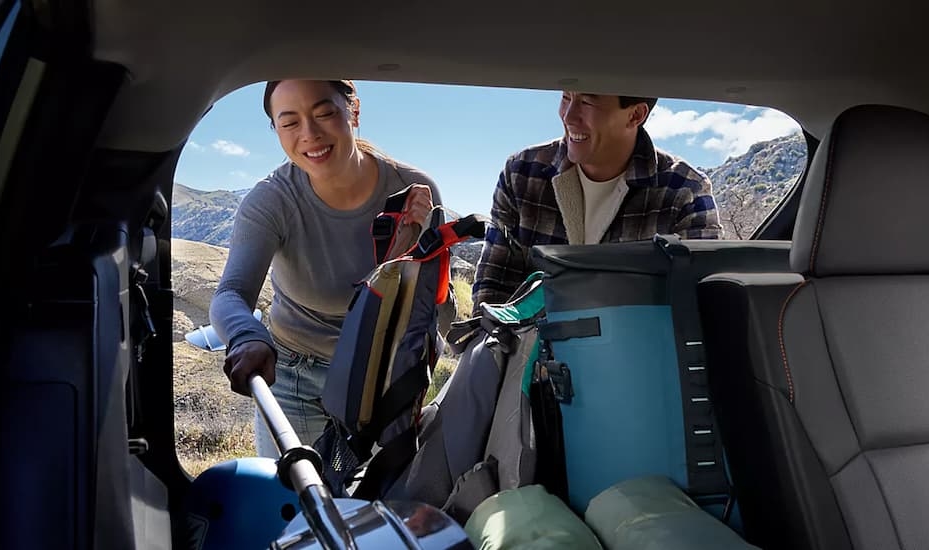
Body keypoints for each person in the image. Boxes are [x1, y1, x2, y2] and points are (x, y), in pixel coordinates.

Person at [211, 79, 443, 457]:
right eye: (290, 123)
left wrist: (413, 247)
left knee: (373, 503)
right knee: (294, 503)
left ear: (353, 111)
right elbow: (231, 293)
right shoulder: (272, 200)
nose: (310, 135)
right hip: (294, 377)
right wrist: (246, 336)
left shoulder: (413, 190)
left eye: (323, 114)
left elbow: (429, 305)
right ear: (276, 130)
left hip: (382, 375)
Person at [471, 92, 722, 306]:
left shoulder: (685, 191)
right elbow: (494, 284)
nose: (568, 116)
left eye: (587, 102)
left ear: (635, 115)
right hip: (531, 356)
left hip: (638, 355)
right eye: (566, 97)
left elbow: (697, 309)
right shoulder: (522, 173)